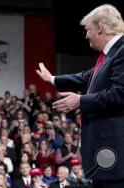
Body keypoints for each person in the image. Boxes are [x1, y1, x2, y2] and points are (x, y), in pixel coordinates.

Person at [36, 4, 124, 187]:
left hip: (114, 152)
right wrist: (52, 79)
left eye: (88, 29)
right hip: (104, 153)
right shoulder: (110, 56)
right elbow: (85, 77)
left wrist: (80, 100)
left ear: (100, 27)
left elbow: (119, 94)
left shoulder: (122, 51)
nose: (86, 35)